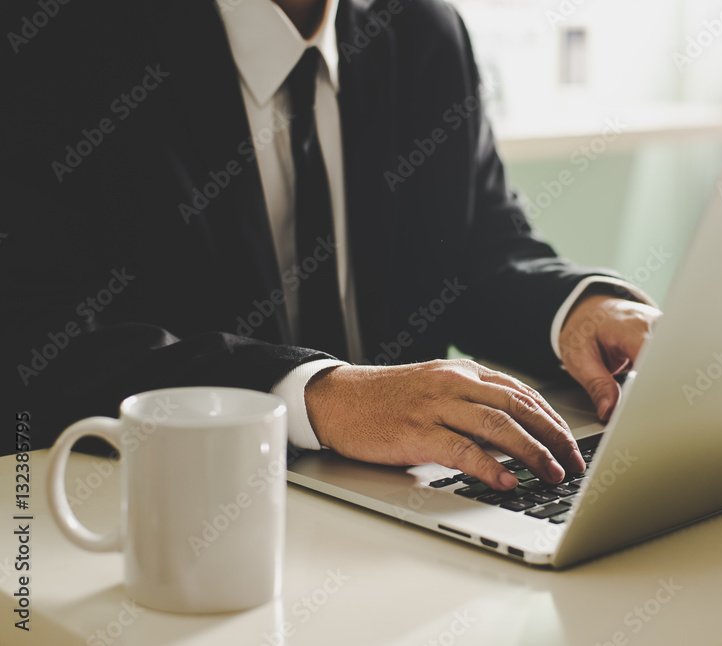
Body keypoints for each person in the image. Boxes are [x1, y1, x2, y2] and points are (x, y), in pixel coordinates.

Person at [0, 0, 660, 489]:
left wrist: (578, 309)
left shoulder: (421, 28)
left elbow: (473, 248)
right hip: (169, 512)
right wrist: (318, 394)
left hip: (403, 508)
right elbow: (41, 339)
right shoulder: (49, 41)